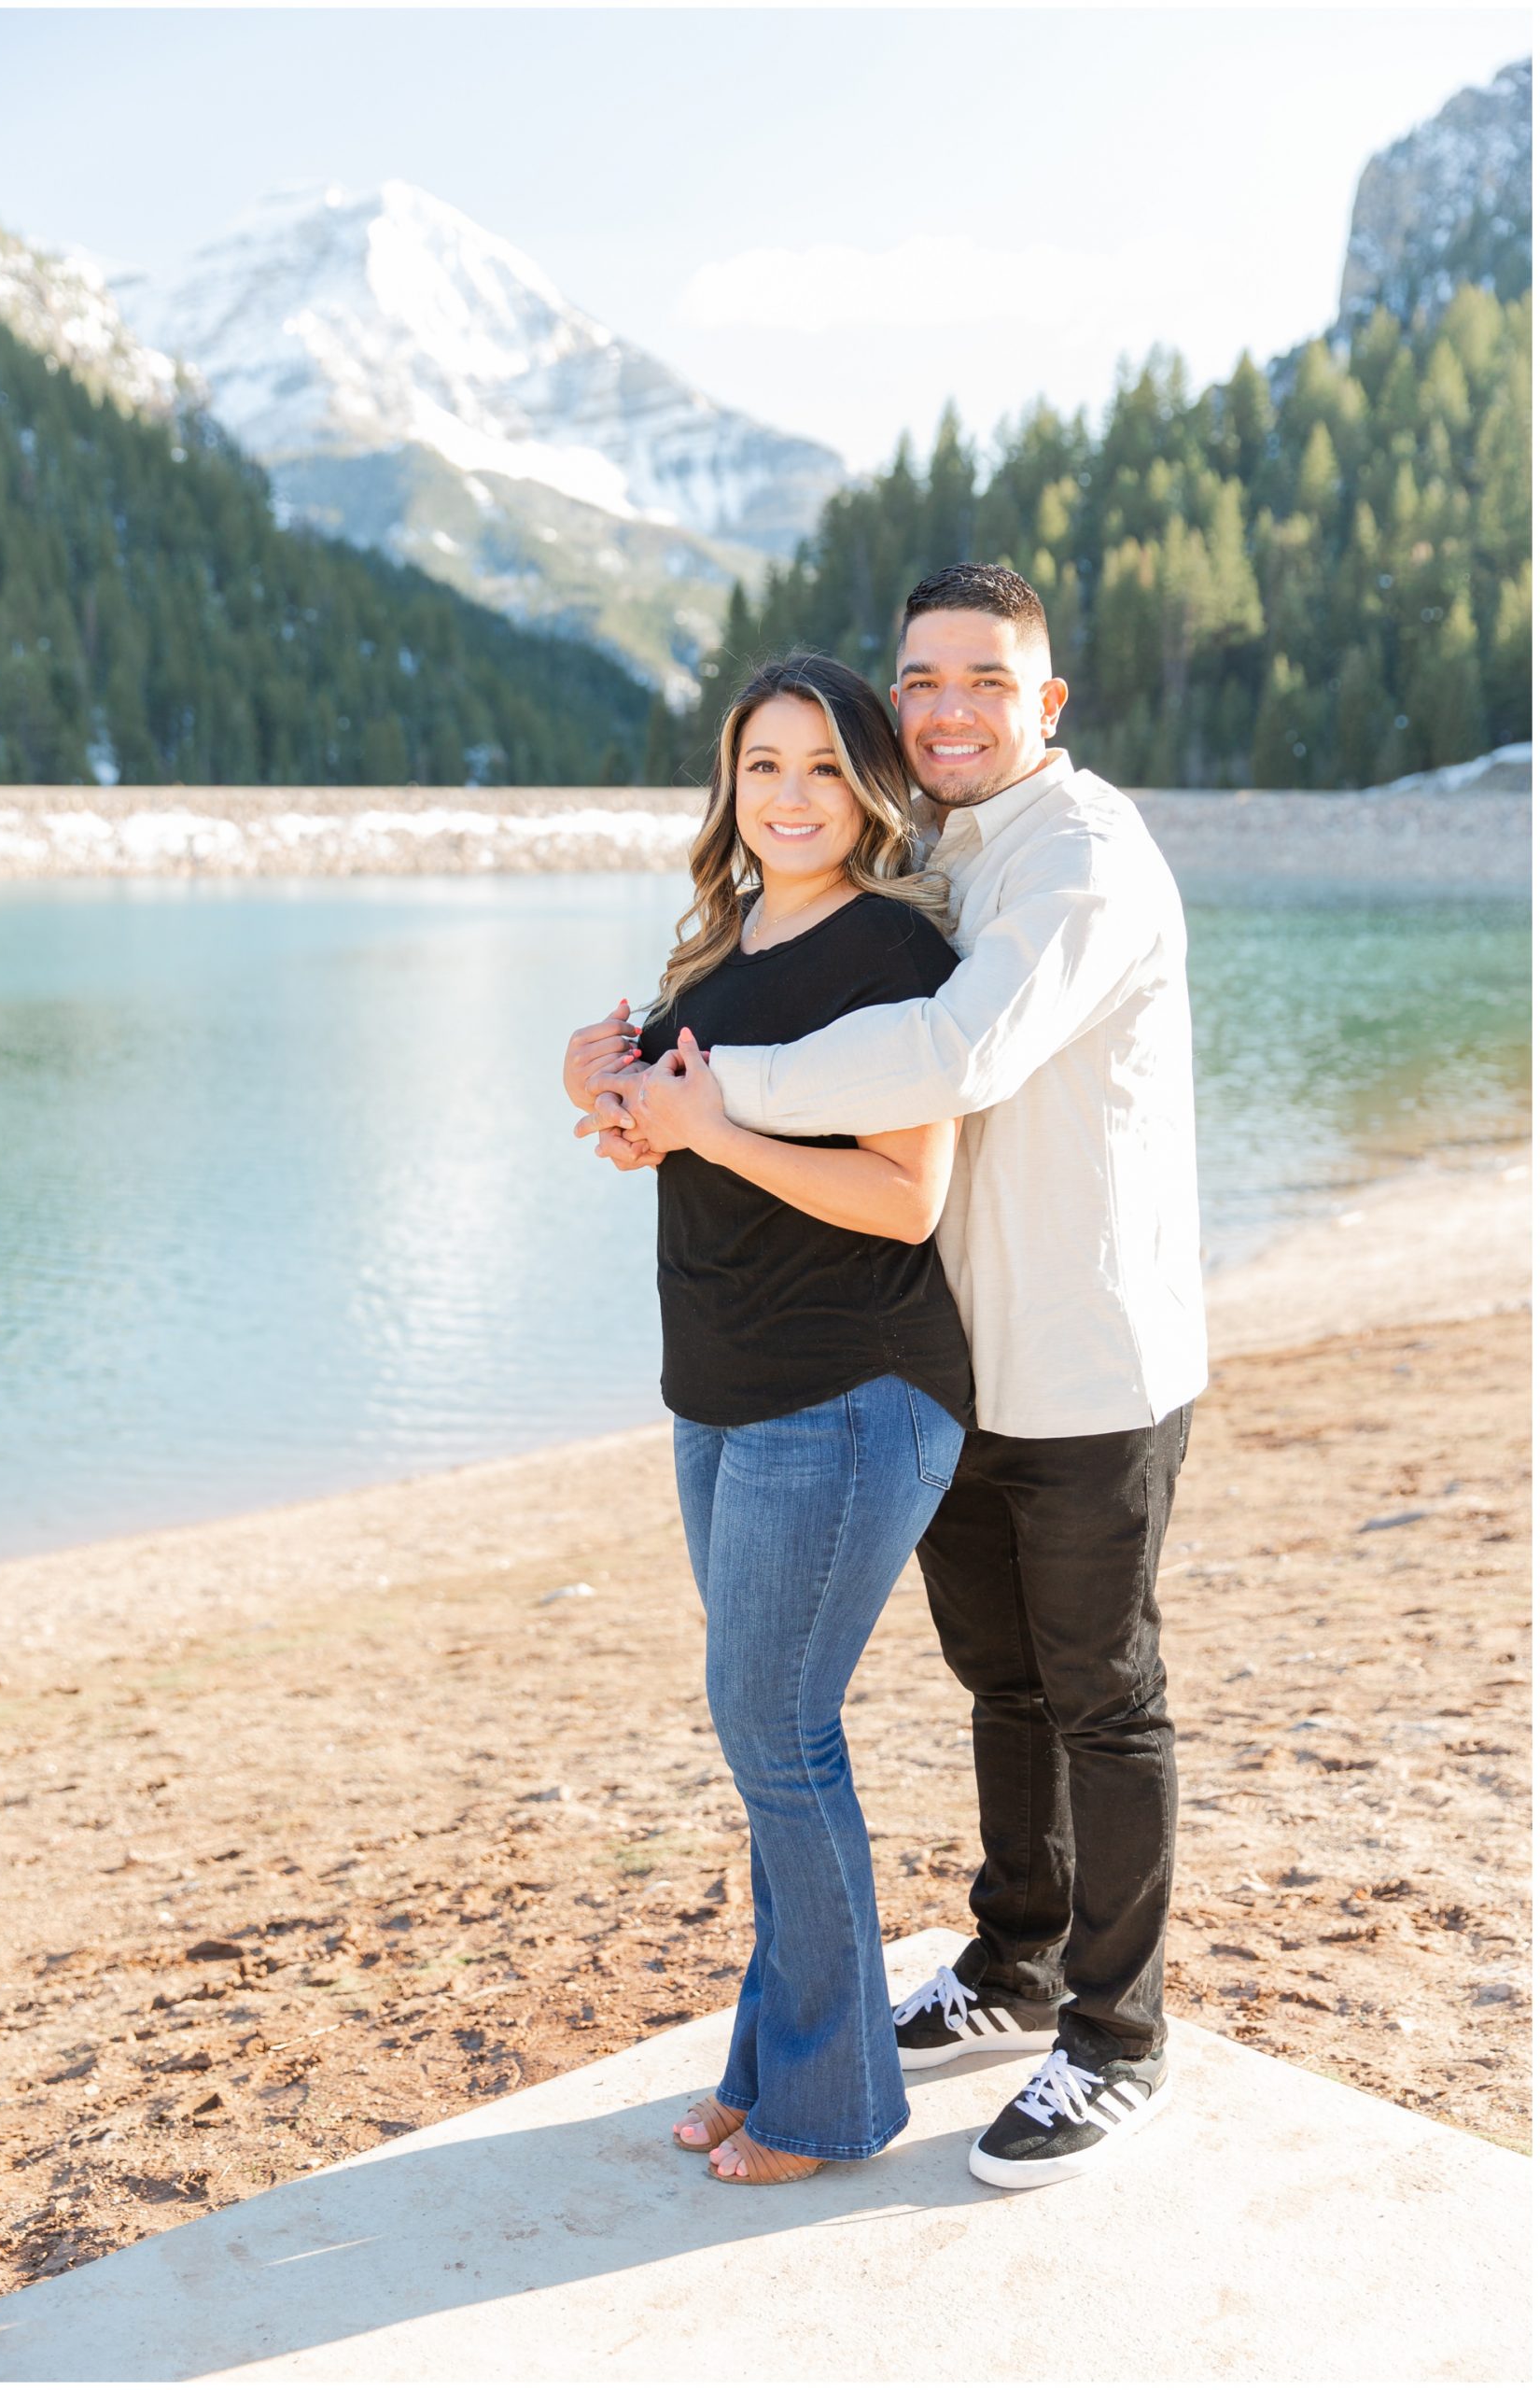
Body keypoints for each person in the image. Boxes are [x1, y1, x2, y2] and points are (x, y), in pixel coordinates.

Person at [575, 563, 1206, 2189]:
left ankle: (1115, 2042)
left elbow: (947, 1059)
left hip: (1086, 1354)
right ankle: (1010, 1967)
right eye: (919, 680)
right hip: (965, 1354)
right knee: (1001, 1688)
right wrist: (638, 1079)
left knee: (1102, 1698)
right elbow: (773, 985)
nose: (944, 708)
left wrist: (707, 1099)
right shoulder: (932, 854)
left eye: (982, 681)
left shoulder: (1081, 862)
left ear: (1044, 703)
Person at [564, 651, 973, 2186]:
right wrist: (603, 1088)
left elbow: (903, 1192)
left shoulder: (889, 954)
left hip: (853, 1388)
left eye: (819, 767)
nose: (789, 797)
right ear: (730, 790)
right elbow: (671, 1124)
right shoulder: (726, 939)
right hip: (724, 1391)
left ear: (867, 786)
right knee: (764, 1739)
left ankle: (826, 2101)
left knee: (779, 1733)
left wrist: (709, 1129)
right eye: (761, 768)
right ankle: (771, 2063)